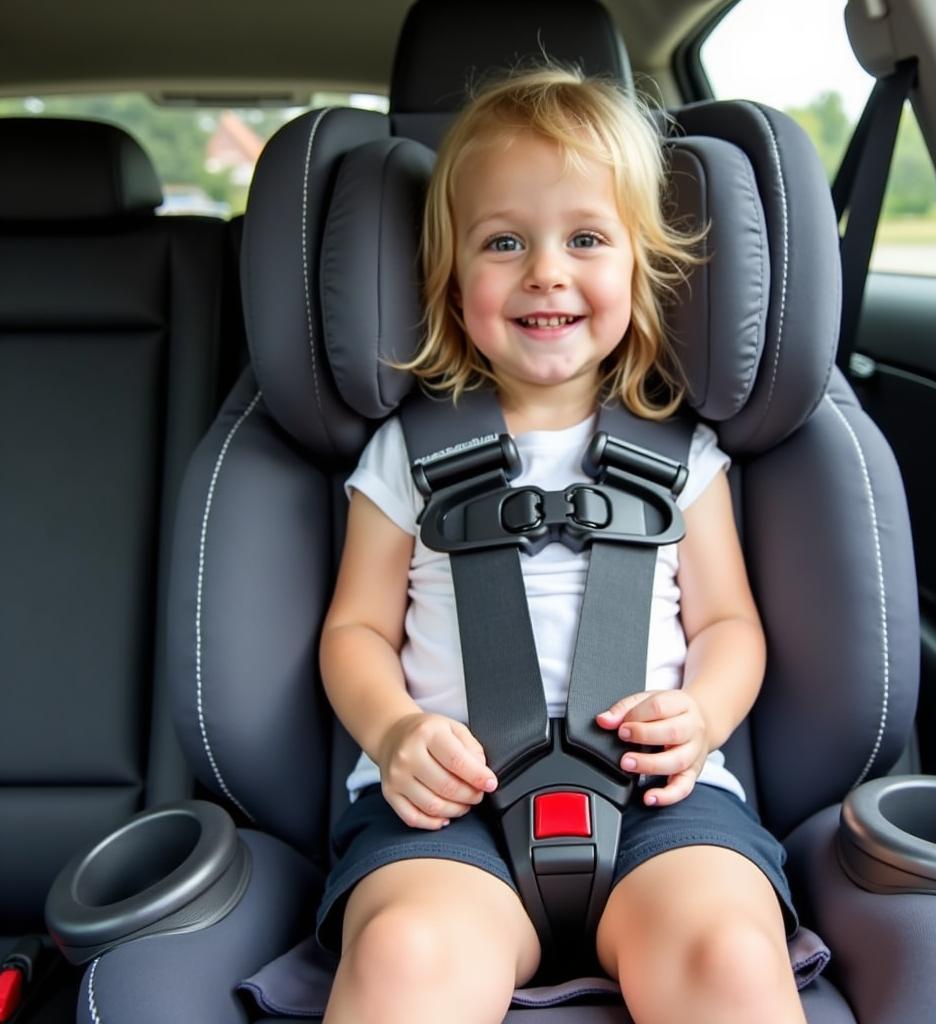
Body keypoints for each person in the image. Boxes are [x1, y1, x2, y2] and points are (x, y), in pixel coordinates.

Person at [316, 66, 808, 1024]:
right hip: (447, 805)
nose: (546, 271)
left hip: (665, 805)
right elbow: (354, 632)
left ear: (638, 264)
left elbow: (731, 625)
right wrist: (395, 732)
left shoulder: (684, 458)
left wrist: (701, 716)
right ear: (451, 281)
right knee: (405, 954)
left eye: (585, 239)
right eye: (504, 242)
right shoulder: (404, 454)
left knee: (730, 953)